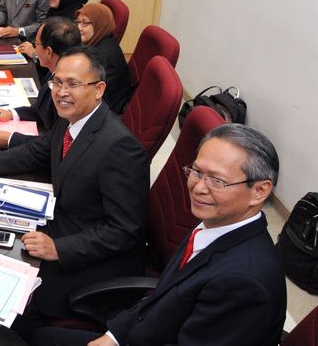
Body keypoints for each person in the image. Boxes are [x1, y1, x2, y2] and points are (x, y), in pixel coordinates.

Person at [0, 46, 148, 341]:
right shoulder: (71, 121)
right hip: (59, 224)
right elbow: (36, 152)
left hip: (90, 258)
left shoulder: (120, 147)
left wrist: (60, 248)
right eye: (57, 82)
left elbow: (125, 231)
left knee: (11, 303)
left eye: (73, 84)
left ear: (99, 90)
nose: (61, 92)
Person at [33, 124, 286, 346]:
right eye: (197, 172)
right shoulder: (216, 224)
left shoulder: (245, 284)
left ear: (259, 191)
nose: (198, 188)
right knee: (40, 335)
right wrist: (114, 337)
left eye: (217, 181)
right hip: (145, 329)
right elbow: (162, 295)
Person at [0, 17, 80, 149]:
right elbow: (42, 109)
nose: (34, 48)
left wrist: (10, 139)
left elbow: (56, 143)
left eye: (36, 44)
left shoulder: (68, 91)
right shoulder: (56, 69)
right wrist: (12, 113)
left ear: (48, 52)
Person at [76, 3, 131, 114]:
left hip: (103, 111)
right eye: (78, 22)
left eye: (85, 23)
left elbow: (90, 94)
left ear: (99, 25)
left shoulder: (100, 55)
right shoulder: (103, 40)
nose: (79, 27)